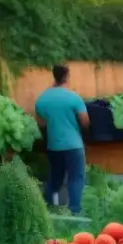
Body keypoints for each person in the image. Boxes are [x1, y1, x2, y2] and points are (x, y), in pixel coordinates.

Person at [35, 65, 89, 214]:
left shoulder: (41, 100)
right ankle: (74, 211)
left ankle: (46, 209)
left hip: (54, 146)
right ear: (67, 77)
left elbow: (42, 123)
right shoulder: (73, 98)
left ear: (54, 76)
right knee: (76, 178)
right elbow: (85, 121)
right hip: (74, 146)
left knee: (55, 179)